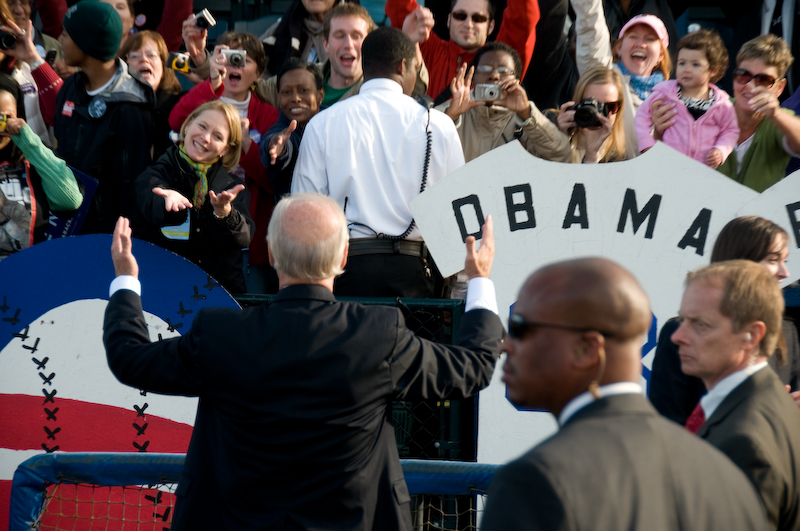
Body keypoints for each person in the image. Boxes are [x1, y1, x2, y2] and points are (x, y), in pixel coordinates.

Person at [103, 195, 504, 530]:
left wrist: (126, 279)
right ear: (344, 255)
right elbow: (474, 366)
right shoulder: (378, 335)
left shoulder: (220, 334)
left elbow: (130, 359)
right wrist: (479, 280)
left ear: (272, 255)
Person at [481, 257, 768, 531]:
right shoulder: (728, 478)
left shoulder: (535, 484)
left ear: (588, 349)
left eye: (519, 328)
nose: (505, 346)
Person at [292, 27, 465, 298]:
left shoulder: (323, 123)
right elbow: (457, 211)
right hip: (415, 273)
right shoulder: (440, 126)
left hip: (345, 270)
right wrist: (458, 287)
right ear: (403, 65)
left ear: (364, 62)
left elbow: (304, 208)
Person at [672, 259, 800, 531]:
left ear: (751, 335)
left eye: (700, 324)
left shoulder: (744, 441)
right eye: (682, 319)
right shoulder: (764, 402)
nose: (678, 336)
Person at [649, 216, 800, 424]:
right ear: (741, 262)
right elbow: (667, 427)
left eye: (785, 261)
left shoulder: (788, 332)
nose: (785, 273)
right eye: (773, 260)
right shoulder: (679, 334)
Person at [169, 31, 279, 293]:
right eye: (227, 57)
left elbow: (270, 179)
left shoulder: (266, 113)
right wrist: (211, 82)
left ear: (259, 72)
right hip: (201, 232)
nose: (234, 65)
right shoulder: (207, 99)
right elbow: (175, 121)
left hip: (250, 240)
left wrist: (244, 142)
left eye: (242, 59)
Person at [53, 0, 156, 234]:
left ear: (86, 44)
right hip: (66, 225)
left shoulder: (130, 107)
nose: (60, 40)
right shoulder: (70, 87)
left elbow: (133, 188)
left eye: (66, 34)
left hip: (108, 238)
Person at [136, 101, 253, 294]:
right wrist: (168, 204)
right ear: (188, 124)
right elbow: (148, 201)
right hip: (163, 292)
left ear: (225, 149)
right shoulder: (157, 173)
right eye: (202, 126)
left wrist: (225, 214)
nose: (206, 138)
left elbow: (244, 237)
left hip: (217, 298)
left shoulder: (230, 187)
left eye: (217, 136)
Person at [436, 42, 571, 163]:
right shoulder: (450, 110)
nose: (494, 75)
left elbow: (561, 156)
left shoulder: (525, 117)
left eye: (504, 71)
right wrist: (450, 116)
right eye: (485, 69)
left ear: (517, 80)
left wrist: (527, 114)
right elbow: (420, 148)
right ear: (473, 78)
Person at [570, 1, 673, 158]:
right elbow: (592, 32)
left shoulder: (672, 98)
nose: (640, 44)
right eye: (633, 37)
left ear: (661, 55)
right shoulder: (608, 80)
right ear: (619, 47)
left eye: (650, 39)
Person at [387, 0, 539, 99]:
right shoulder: (425, 44)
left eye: (478, 18)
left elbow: (523, 19)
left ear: (491, 26)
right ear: (449, 20)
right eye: (460, 16)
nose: (468, 24)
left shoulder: (501, 60)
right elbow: (400, 7)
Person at [0, 73, 81, 257]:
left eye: (4, 118)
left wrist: (27, 140)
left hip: (27, 274)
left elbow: (70, 200)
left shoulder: (34, 157)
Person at [636, 29, 739, 168]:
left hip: (702, 173)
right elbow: (642, 116)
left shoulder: (721, 104)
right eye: (682, 63)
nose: (686, 69)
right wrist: (647, 144)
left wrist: (721, 150)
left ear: (713, 70)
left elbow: (731, 131)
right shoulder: (664, 93)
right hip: (667, 168)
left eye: (695, 64)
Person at [711, 35, 799, 192]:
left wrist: (776, 114)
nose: (750, 86)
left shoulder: (781, 120)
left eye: (763, 80)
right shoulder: (713, 108)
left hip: (757, 216)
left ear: (780, 87)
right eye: (743, 75)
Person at [259, 59, 324, 198]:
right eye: (287, 92)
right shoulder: (281, 129)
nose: (296, 98)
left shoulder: (337, 122)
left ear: (320, 95)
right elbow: (276, 142)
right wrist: (278, 147)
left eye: (303, 90)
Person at [119, 30, 183, 157]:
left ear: (164, 64)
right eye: (135, 56)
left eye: (151, 55)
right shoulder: (114, 105)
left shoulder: (180, 104)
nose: (143, 60)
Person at [556, 66, 628, 163]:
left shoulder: (620, 161)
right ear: (578, 103)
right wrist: (559, 140)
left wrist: (591, 157)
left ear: (619, 109)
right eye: (591, 105)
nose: (598, 114)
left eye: (609, 107)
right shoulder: (550, 123)